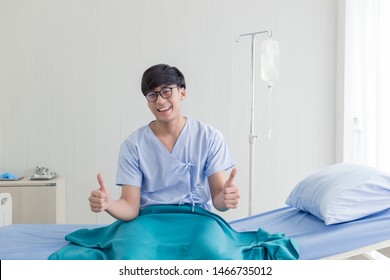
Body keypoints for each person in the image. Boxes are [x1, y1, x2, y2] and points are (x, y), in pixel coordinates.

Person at [89, 63, 240, 221]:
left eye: (166, 91)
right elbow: (130, 208)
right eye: (152, 95)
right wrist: (108, 204)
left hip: (197, 218)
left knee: (209, 246)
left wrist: (225, 198)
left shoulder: (209, 137)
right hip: (149, 220)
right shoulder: (133, 145)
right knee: (134, 246)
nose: (160, 101)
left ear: (182, 93)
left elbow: (218, 200)